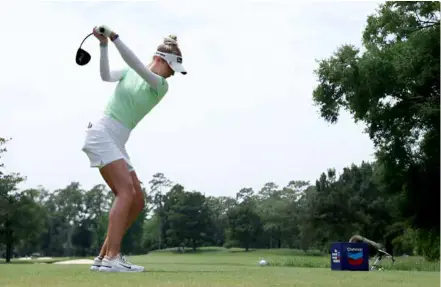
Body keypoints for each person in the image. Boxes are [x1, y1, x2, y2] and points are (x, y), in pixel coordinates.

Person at [82, 25, 187, 273]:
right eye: (173, 68)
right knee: (126, 193)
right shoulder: (132, 72)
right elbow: (106, 75)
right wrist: (105, 44)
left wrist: (114, 38)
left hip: (116, 140)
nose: (173, 74)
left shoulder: (159, 85)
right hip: (102, 133)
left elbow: (139, 67)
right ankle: (112, 259)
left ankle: (103, 256)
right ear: (162, 60)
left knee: (137, 201)